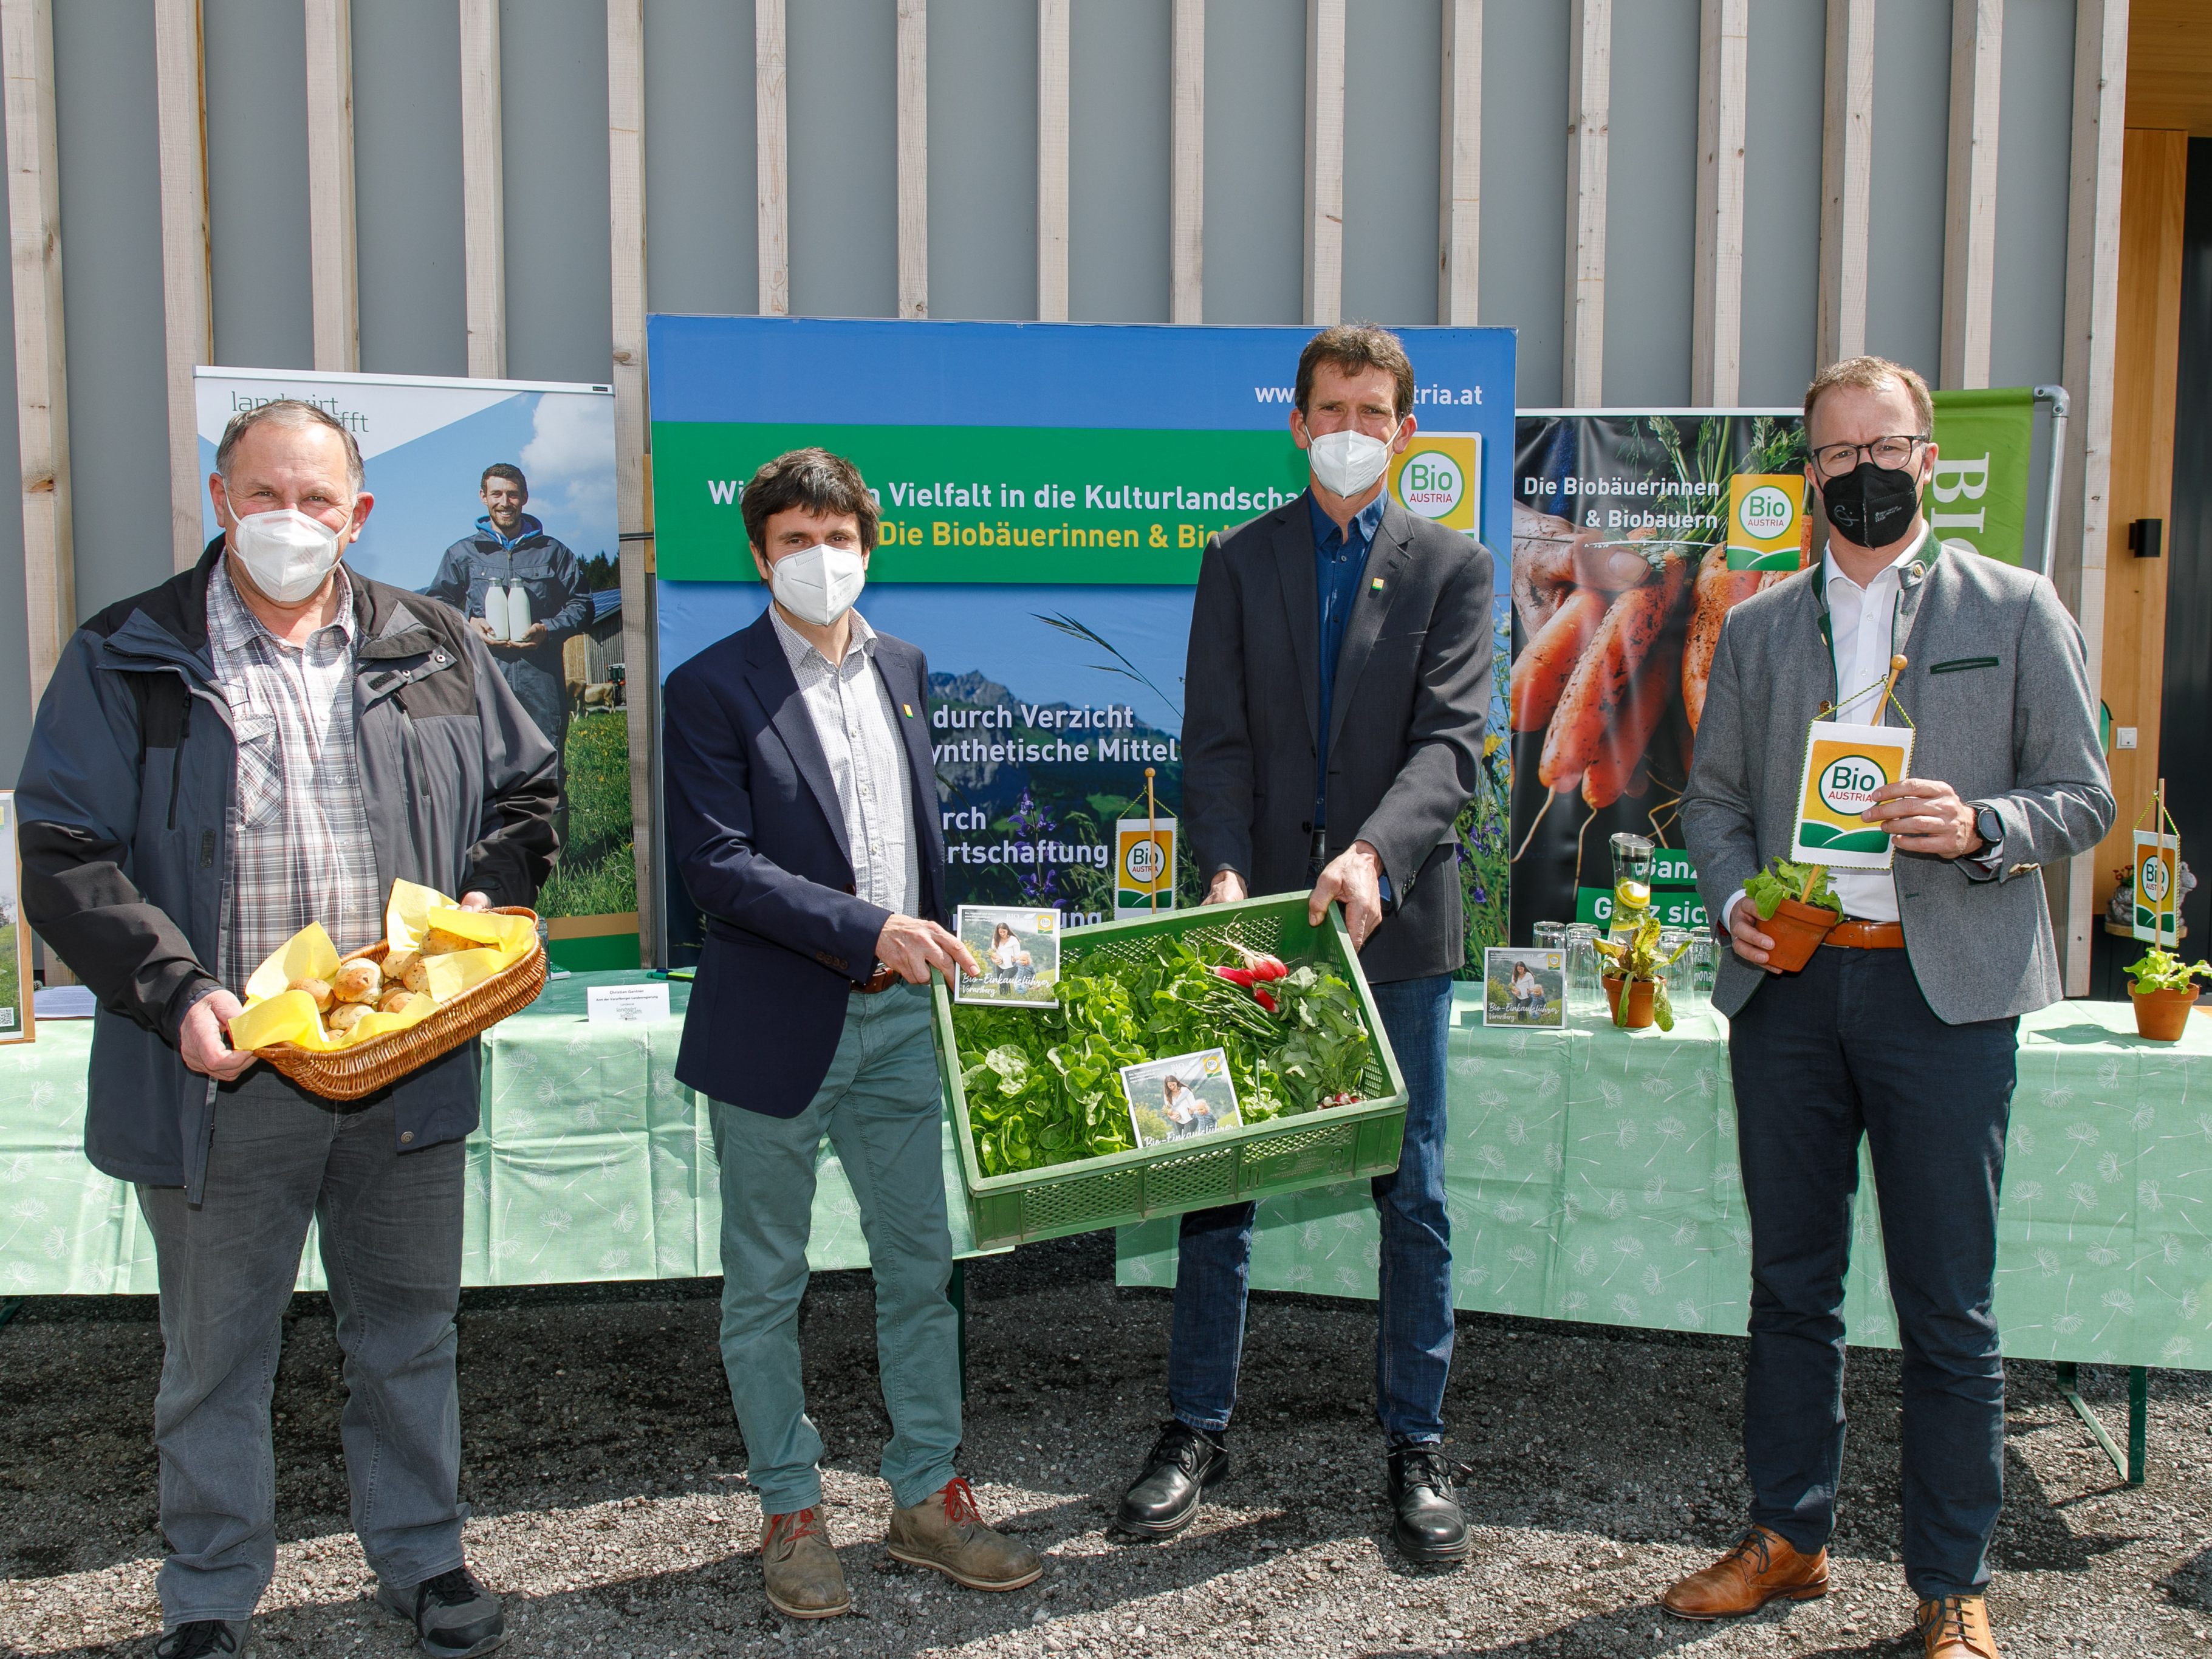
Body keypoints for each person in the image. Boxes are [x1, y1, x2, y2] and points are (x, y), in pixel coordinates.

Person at [15, 400, 559, 1659]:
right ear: (221, 500)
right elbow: (63, 852)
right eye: (266, 497)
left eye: (319, 503)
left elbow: (524, 792)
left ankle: (422, 1560)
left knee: (408, 1335)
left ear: (358, 516)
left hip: (401, 1059)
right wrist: (173, 988)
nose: (292, 523)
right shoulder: (129, 649)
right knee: (214, 1359)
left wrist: (498, 886)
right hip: (221, 1069)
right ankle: (209, 1592)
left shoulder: (433, 643)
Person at [1674, 357, 2114, 1659]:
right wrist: (1724, 902)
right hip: (1793, 986)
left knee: (1946, 1303)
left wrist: (1980, 822)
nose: (1858, 472)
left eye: (1883, 447)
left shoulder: (2014, 605)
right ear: (1803, 473)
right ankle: (1787, 1537)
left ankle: (1947, 1581)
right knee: (1790, 1285)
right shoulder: (1755, 628)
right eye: (1832, 455)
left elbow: (2079, 796)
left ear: (1923, 458)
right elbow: (1709, 804)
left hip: (1946, 997)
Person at [1115, 324, 1495, 1564]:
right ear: (1295, 423)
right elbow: (1213, 743)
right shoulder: (1236, 560)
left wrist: (1372, 856)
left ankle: (1415, 1444)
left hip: (1393, 928)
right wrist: (1223, 872)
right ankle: (1192, 1429)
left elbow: (1451, 749)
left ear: (1400, 430)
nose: (1348, 425)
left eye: (1371, 408)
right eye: (1328, 405)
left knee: (1413, 1186)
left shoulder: (1452, 566)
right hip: (1258, 926)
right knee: (1216, 1177)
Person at [660, 447, 1043, 1622]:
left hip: (901, 1035)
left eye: (838, 537)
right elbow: (717, 867)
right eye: (793, 541)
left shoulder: (909, 671)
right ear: (760, 554)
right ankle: (789, 1507)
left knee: (921, 1273)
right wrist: (871, 928)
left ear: (869, 543)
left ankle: (926, 1495)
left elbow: (928, 858)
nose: (819, 559)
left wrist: (976, 948)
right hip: (777, 1030)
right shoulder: (709, 688)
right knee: (766, 1285)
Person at [423, 464, 591, 850]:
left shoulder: (554, 553)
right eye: (497, 494)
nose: (505, 502)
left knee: (547, 763)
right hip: (485, 677)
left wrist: (548, 628)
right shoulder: (463, 553)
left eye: (512, 494)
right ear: (484, 498)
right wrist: (470, 624)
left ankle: (551, 861)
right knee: (484, 764)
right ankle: (489, 854)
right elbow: (436, 605)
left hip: (540, 678)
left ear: (525, 497)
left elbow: (582, 605)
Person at [989, 920, 1031, 988]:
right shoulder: (995, 940)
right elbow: (992, 953)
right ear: (998, 932)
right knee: (1001, 983)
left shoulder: (1013, 940)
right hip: (1000, 965)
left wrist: (1015, 958)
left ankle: (1006, 996)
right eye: (1001, 932)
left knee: (1004, 980)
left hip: (1012, 966)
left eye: (1004, 932)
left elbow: (1018, 955)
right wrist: (994, 961)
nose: (1002, 934)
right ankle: (1005, 997)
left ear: (1007, 931)